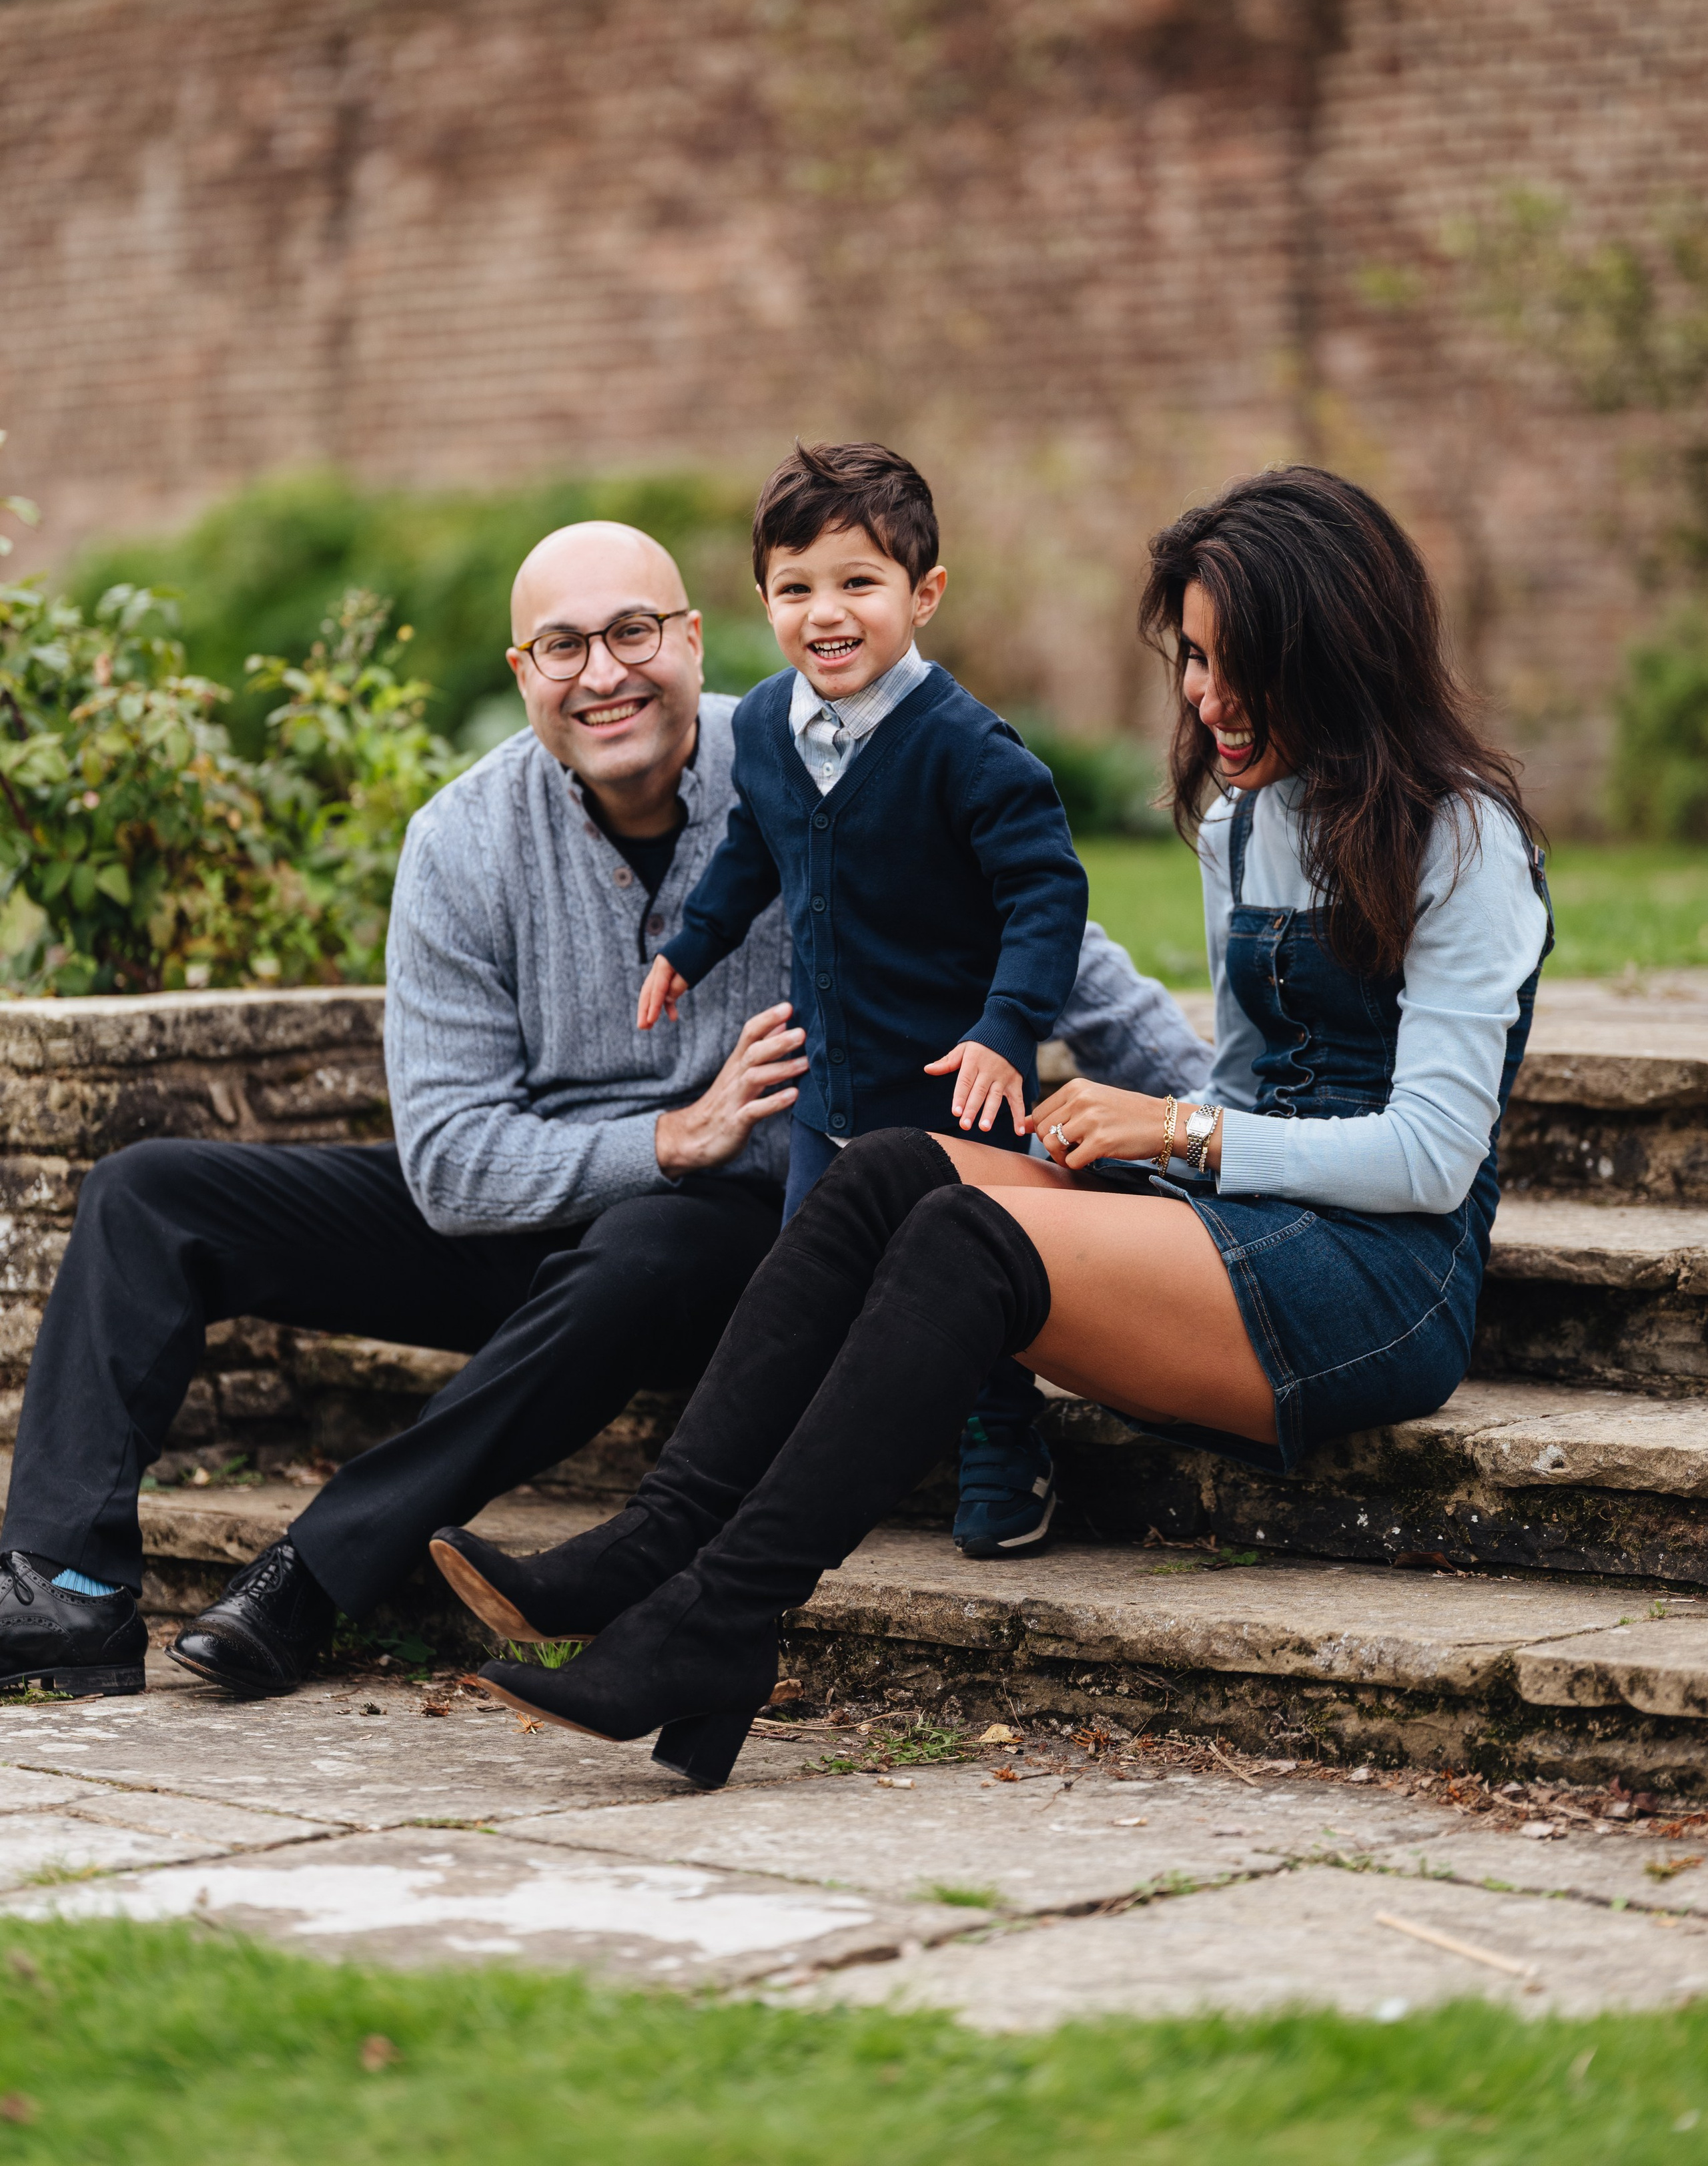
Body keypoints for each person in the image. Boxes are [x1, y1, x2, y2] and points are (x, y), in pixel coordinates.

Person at [452, 466, 1553, 1793]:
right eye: (1190, 661)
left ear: (1332, 652)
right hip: (1244, 1216)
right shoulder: (1241, 816)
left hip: (1378, 1280)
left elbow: (1432, 1157)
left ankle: (718, 1621)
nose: (1202, 699)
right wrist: (1163, 1138)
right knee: (885, 1171)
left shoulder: (1464, 842)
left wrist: (1183, 1133)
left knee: (969, 1235)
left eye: (1234, 665)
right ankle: (648, 1551)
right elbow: (1255, 1076)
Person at [0, 516, 1207, 1703]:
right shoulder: (462, 840)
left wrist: (1226, 1133)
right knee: (149, 1192)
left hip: (744, 1243)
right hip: (539, 1218)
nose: (605, 674)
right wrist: (667, 1138)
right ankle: (67, 1590)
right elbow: (452, 1170)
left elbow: (1062, 955)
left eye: (634, 632)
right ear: (524, 672)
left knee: (650, 1242)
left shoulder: (823, 759)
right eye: (564, 647)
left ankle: (310, 1577)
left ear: (693, 637)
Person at [640, 441, 1088, 1560]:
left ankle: (1003, 1434)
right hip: (831, 1090)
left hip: (950, 1087)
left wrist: (1007, 1029)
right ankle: (787, 1462)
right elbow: (752, 844)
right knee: (805, 1285)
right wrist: (691, 945)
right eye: (796, 589)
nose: (824, 613)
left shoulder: (967, 750)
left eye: (858, 583)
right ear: (764, 602)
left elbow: (1048, 893)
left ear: (923, 594)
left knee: (960, 1283)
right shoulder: (763, 730)